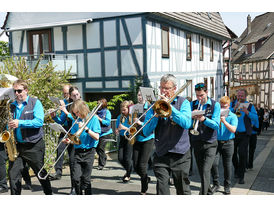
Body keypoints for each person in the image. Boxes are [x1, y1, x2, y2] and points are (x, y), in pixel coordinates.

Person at [143, 74, 192, 195]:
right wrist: (155, 115)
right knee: (162, 190)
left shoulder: (183, 102)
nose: (163, 91)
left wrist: (170, 108)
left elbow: (186, 123)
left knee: (182, 189)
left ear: (174, 89)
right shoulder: (154, 105)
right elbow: (145, 131)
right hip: (161, 153)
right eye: (161, 88)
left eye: (167, 88)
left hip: (180, 154)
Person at [8, 79, 52, 195]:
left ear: (26, 90)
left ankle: (49, 194)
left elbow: (38, 122)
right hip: (17, 146)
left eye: (19, 91)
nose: (16, 93)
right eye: (15, 91)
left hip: (34, 146)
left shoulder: (35, 103)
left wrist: (20, 123)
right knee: (13, 175)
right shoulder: (11, 106)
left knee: (41, 174)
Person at [61, 99, 101, 195]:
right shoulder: (76, 121)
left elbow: (96, 137)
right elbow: (75, 138)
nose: (77, 115)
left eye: (78, 112)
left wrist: (86, 128)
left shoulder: (94, 119)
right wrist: (68, 140)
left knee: (86, 180)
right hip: (78, 152)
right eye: (75, 113)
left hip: (89, 152)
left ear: (83, 109)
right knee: (76, 178)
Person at [190, 82, 220, 195]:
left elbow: (216, 125)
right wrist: (190, 116)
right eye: (197, 95)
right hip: (197, 141)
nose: (199, 98)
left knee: (206, 170)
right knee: (201, 170)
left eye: (201, 95)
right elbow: (187, 123)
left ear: (206, 92)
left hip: (210, 142)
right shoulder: (192, 104)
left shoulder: (214, 104)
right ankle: (207, 191)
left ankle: (202, 194)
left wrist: (204, 119)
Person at [50, 85, 80, 195]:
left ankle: (74, 187)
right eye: (64, 94)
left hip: (76, 135)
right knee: (60, 147)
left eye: (67, 94)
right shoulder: (67, 105)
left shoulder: (79, 105)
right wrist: (54, 116)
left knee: (73, 163)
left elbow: (78, 120)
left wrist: (66, 112)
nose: (65, 96)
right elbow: (61, 121)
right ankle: (58, 171)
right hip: (66, 133)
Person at [210, 96, 238, 195]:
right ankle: (216, 183)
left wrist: (224, 121)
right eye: (221, 106)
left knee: (227, 165)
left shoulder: (233, 116)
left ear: (229, 106)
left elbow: (233, 130)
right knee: (213, 164)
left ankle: (227, 186)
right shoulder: (216, 114)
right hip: (216, 142)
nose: (222, 109)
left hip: (228, 143)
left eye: (224, 107)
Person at [230, 88, 258, 184]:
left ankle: (241, 176)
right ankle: (237, 169)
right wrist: (234, 108)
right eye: (238, 95)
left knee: (242, 154)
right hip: (233, 133)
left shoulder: (250, 106)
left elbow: (255, 117)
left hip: (244, 134)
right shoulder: (232, 104)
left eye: (242, 96)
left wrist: (247, 112)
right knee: (232, 154)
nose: (240, 97)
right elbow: (226, 114)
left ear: (245, 96)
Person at [132, 89, 155, 195]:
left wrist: (140, 123)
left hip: (148, 138)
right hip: (138, 138)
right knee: (136, 165)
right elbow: (131, 120)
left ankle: (143, 188)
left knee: (142, 165)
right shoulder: (136, 107)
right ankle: (145, 178)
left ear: (146, 97)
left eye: (141, 95)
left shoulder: (150, 108)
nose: (139, 97)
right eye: (138, 95)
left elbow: (150, 123)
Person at [115, 100, 134, 183]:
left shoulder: (132, 116)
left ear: (129, 109)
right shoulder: (120, 117)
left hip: (130, 138)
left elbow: (134, 130)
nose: (123, 112)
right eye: (122, 110)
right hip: (122, 137)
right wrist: (117, 130)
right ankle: (129, 169)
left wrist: (124, 128)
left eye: (124, 110)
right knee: (120, 158)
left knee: (127, 158)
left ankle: (128, 174)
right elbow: (117, 127)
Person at [95, 98, 113, 170]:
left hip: (105, 132)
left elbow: (107, 122)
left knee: (100, 147)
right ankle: (104, 157)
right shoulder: (96, 112)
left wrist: (99, 119)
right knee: (97, 148)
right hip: (98, 132)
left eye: (99, 104)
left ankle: (101, 164)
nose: (97, 105)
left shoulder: (107, 112)